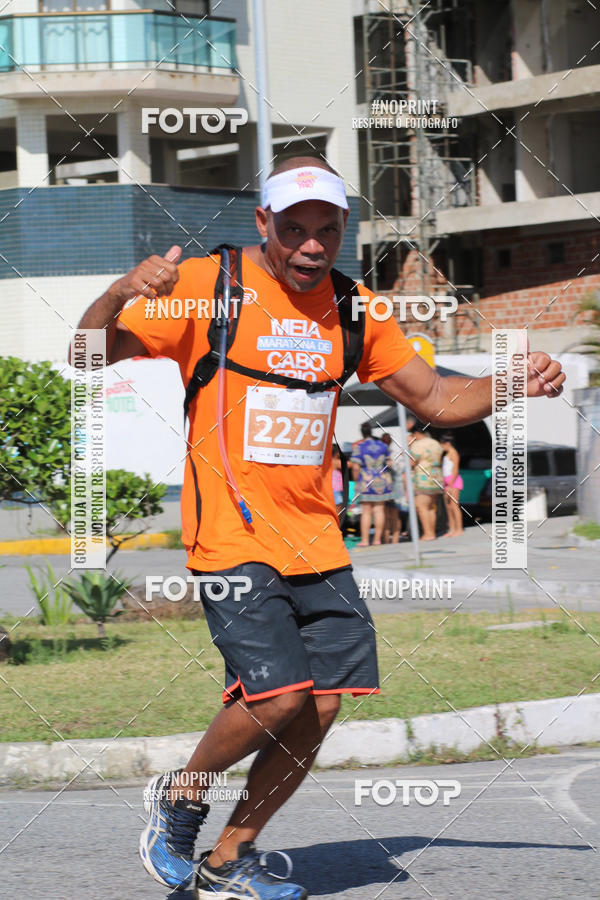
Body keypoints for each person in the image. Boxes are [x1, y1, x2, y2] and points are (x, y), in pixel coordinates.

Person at [72, 154, 566, 899]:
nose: (310, 245)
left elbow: (434, 397)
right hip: (231, 536)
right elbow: (83, 356)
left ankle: (230, 857)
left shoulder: (355, 307)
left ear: (342, 230)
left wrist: (510, 384)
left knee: (324, 703)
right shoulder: (209, 287)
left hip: (315, 538)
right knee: (278, 698)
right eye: (294, 228)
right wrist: (117, 294)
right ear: (264, 223)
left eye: (326, 231)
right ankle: (181, 796)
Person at [350, 423, 393, 546]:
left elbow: (355, 467)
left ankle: (365, 540)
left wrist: (355, 481)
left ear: (362, 433)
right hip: (382, 480)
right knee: (379, 510)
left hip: (366, 480)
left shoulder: (359, 447)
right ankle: (377, 540)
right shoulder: (383, 446)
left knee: (367, 511)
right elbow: (390, 462)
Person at [409, 425, 444, 541]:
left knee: (421, 506)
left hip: (424, 478)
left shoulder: (418, 445)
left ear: (416, 434)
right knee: (430, 507)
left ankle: (428, 533)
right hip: (436, 477)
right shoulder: (435, 443)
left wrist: (409, 447)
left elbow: (412, 462)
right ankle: (431, 532)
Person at [381, 432, 408, 542]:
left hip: (384, 487)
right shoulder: (394, 455)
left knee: (386, 515)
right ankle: (395, 539)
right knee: (395, 514)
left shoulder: (381, 455)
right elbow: (402, 471)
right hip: (396, 487)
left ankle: (387, 539)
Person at [441, 432, 464, 537]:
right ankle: (452, 529)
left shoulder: (453, 453)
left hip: (453, 481)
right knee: (448, 507)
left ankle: (459, 529)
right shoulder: (447, 454)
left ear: (447, 443)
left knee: (454, 505)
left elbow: (455, 469)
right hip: (447, 481)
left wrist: (450, 485)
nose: (441, 446)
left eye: (442, 444)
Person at [331, 444, 344, 520]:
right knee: (338, 508)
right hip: (336, 489)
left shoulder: (327, 461)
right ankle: (336, 523)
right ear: (337, 453)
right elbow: (349, 465)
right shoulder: (336, 462)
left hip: (330, 488)